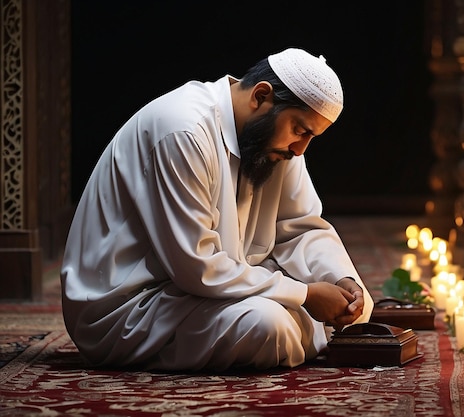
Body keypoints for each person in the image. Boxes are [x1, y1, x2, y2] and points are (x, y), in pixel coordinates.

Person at [61, 47, 374, 372]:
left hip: (203, 293)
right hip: (133, 306)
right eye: (300, 130)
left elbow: (301, 226)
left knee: (349, 307)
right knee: (268, 327)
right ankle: (302, 332)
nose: (300, 149)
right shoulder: (183, 130)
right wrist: (307, 295)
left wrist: (340, 279)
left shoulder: (278, 143)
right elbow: (196, 265)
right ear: (261, 96)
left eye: (311, 137)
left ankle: (300, 328)